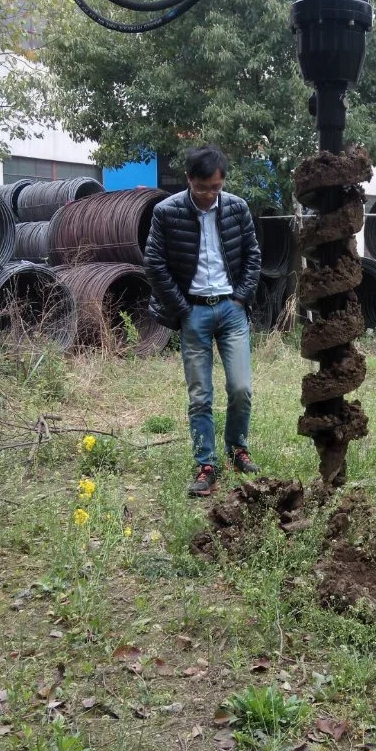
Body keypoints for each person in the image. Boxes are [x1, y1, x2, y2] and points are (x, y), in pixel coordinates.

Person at [144, 144, 262, 498]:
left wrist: (240, 297)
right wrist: (182, 309)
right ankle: (206, 463)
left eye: (216, 188)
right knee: (200, 395)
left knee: (241, 387)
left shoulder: (237, 208)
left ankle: (237, 448)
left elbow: (254, 255)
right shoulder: (167, 212)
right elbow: (154, 263)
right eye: (203, 188)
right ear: (189, 181)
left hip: (231, 309)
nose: (210, 195)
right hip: (193, 311)